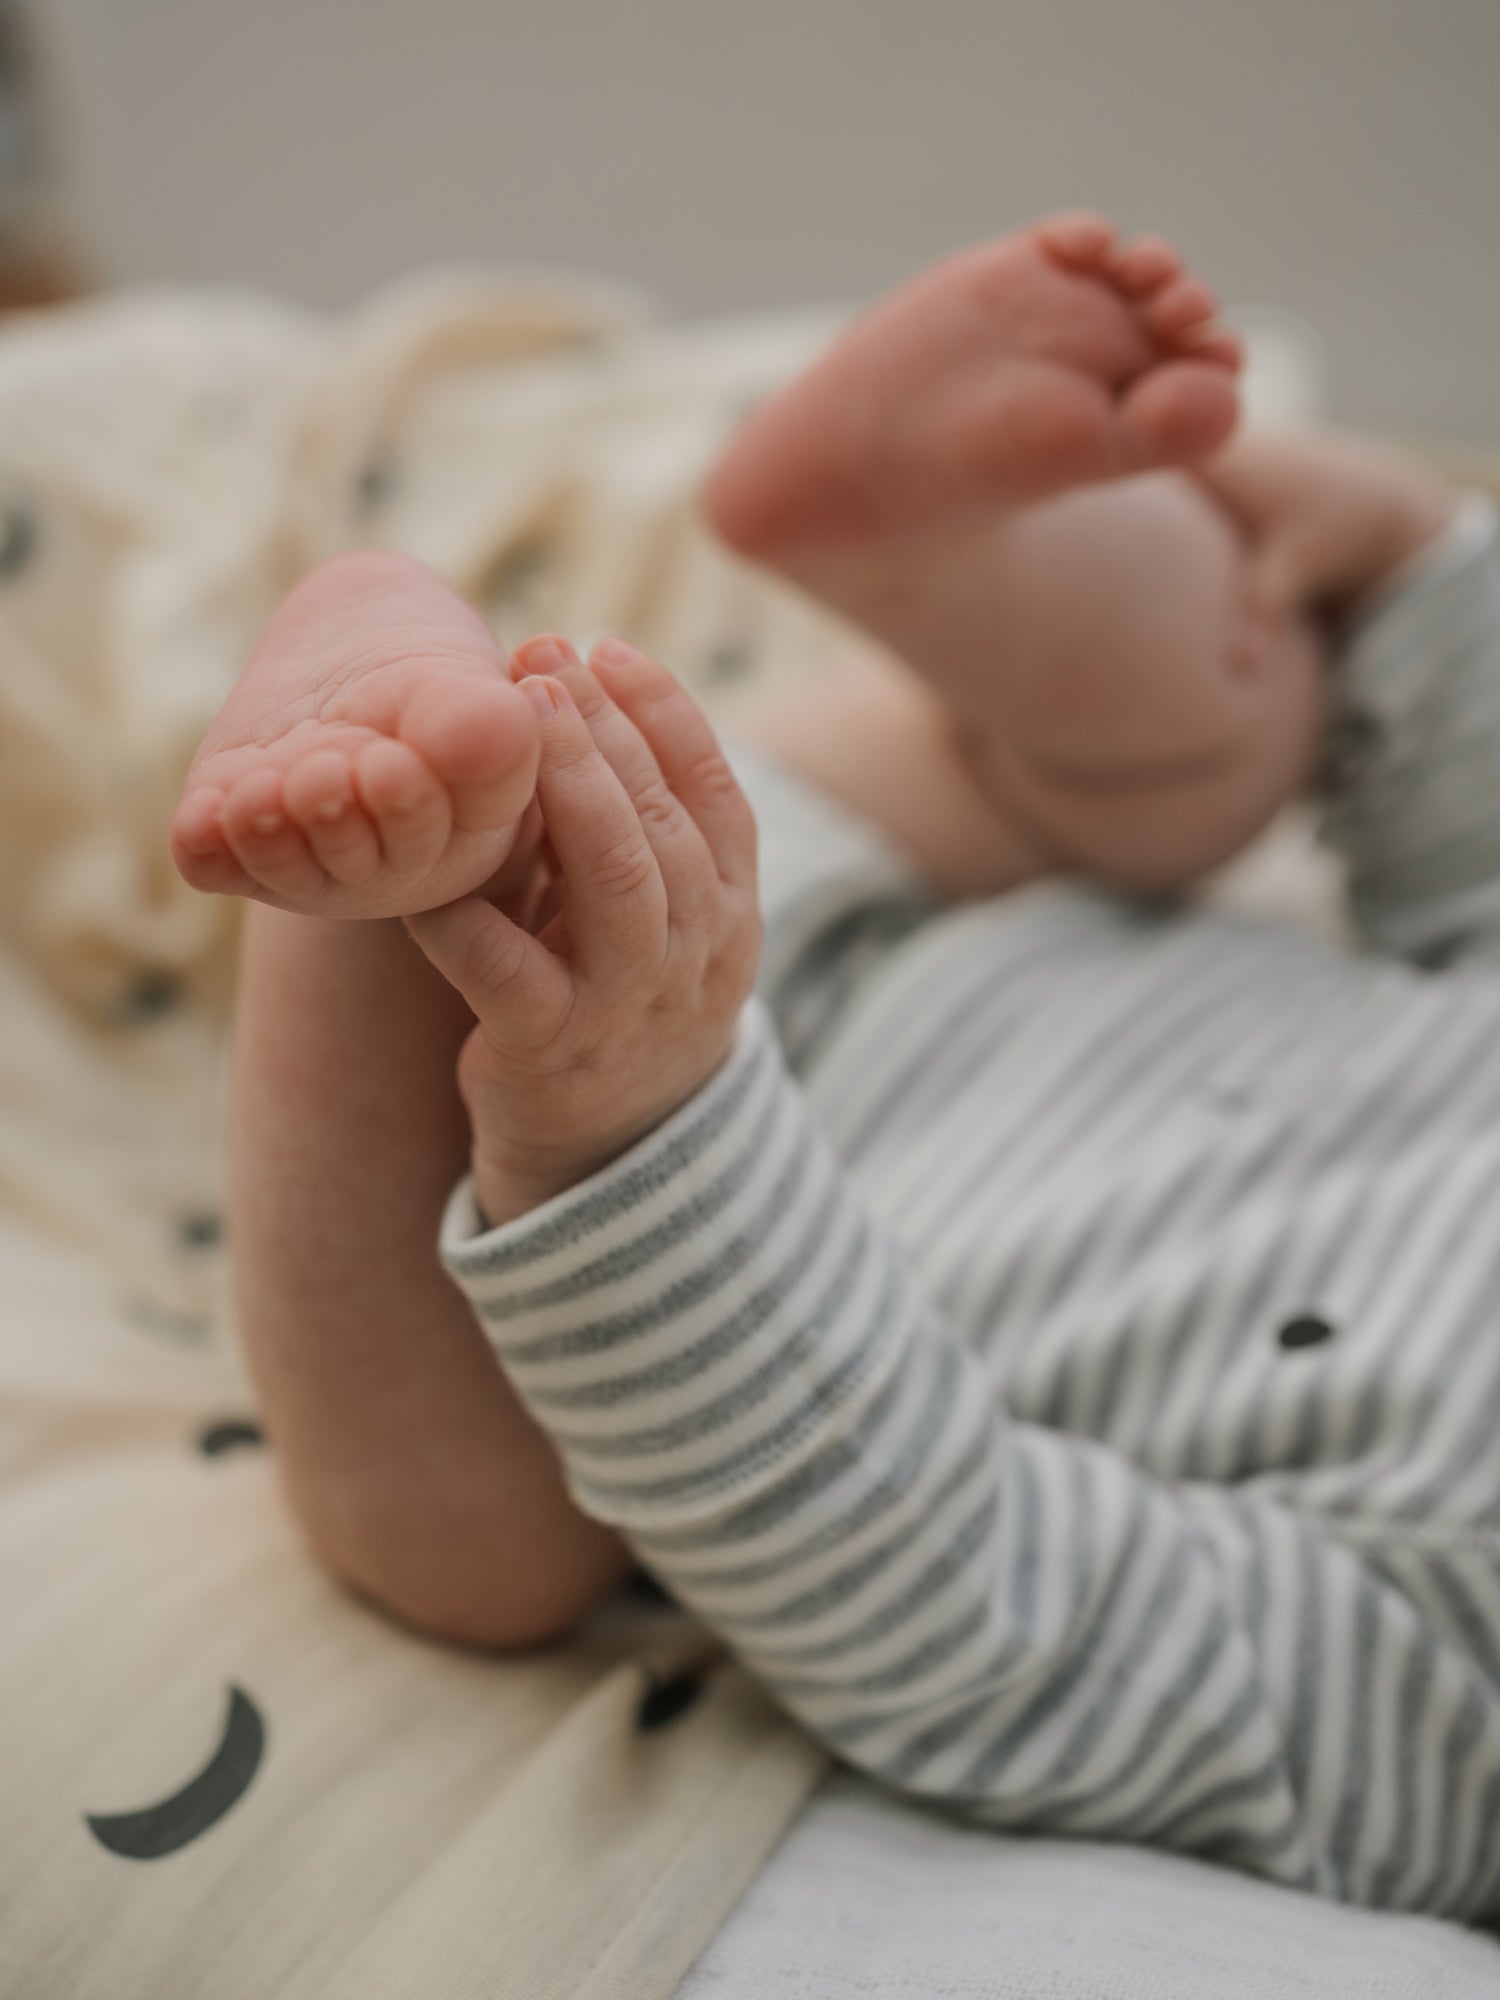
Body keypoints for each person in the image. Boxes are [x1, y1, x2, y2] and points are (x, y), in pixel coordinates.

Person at [168, 212, 1500, 1915]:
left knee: (472, 1552)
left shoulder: (1448, 1710)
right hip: (941, 881)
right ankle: (920, 539)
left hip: (647, 1197)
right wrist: (1405, 558)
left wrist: (631, 1137)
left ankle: (388, 808)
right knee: (1242, 718)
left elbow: (979, 1597)